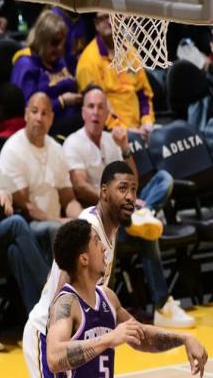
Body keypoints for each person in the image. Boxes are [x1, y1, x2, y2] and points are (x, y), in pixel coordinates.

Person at [63, 86, 195, 328]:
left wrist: (124, 148)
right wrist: (120, 201)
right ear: (83, 112)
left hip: (123, 215)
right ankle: (161, 305)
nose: (95, 112)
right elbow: (80, 187)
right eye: (90, 107)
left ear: (107, 113)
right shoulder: (73, 143)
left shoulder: (111, 141)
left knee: (164, 179)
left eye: (100, 107)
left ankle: (143, 214)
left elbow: (131, 181)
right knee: (147, 233)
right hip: (97, 220)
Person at [46, 219, 208, 377]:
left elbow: (142, 336)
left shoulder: (107, 297)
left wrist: (185, 339)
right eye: (96, 242)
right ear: (84, 259)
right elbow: (54, 357)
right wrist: (109, 338)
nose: (104, 247)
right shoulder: (66, 303)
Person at [22, 161, 137, 376]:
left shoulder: (109, 228)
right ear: (104, 192)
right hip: (48, 334)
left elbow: (100, 288)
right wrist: (60, 337)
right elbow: (65, 288)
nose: (130, 196)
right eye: (122, 189)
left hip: (77, 336)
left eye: (133, 189)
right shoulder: (90, 229)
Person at [0, 92, 83, 263]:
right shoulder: (13, 150)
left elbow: (68, 199)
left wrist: (83, 218)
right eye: (34, 111)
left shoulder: (56, 149)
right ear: (26, 114)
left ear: (51, 119)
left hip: (57, 221)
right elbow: (26, 207)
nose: (39, 118)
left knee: (94, 228)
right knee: (56, 229)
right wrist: (61, 221)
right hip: (29, 226)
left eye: (44, 113)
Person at [0, 141, 49, 315]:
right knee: (17, 224)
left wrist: (3, 194)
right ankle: (51, 291)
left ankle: (37, 317)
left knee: (15, 251)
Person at [76, 12, 156, 136]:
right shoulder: (88, 62)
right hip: (109, 134)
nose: (109, 21)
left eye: (113, 17)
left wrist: (147, 122)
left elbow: (144, 93)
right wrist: (125, 131)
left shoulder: (130, 51)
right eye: (104, 18)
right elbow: (95, 110)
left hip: (141, 129)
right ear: (96, 24)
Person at [11, 10, 83, 137]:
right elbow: (30, 109)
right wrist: (62, 101)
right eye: (54, 43)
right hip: (46, 128)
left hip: (71, 121)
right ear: (42, 40)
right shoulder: (26, 65)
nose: (59, 48)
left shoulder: (59, 61)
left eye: (62, 43)